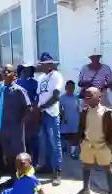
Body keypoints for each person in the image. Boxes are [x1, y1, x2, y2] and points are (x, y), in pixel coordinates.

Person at [75, 87, 112, 194]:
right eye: (86, 96)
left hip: (102, 145)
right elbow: (81, 127)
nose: (87, 99)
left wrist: (110, 144)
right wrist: (80, 141)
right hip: (87, 144)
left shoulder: (107, 112)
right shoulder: (84, 112)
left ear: (99, 97)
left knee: (107, 168)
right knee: (86, 167)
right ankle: (85, 188)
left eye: (90, 96)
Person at [0, 64, 31, 188]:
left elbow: (28, 108)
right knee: (8, 155)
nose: (5, 73)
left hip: (15, 129)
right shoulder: (1, 89)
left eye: (8, 71)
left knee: (19, 156)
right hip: (4, 128)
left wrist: (20, 123)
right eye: (3, 71)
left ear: (14, 75)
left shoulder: (19, 90)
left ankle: (23, 181)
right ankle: (13, 178)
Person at [37, 52, 63, 186]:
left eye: (44, 64)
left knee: (54, 143)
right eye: (41, 64)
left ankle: (57, 171)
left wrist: (44, 107)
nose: (41, 66)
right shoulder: (41, 77)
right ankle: (47, 166)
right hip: (42, 114)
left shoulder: (56, 76)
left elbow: (56, 96)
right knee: (44, 142)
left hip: (52, 113)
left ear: (50, 64)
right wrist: (39, 110)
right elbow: (39, 96)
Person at [16, 64, 40, 165]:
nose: (27, 71)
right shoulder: (16, 83)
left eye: (30, 70)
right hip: (19, 115)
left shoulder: (35, 83)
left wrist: (34, 112)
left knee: (33, 139)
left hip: (32, 114)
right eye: (25, 70)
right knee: (22, 140)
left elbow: (37, 98)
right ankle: (24, 162)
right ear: (21, 71)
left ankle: (34, 162)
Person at [60, 80, 80, 159]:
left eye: (72, 87)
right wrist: (63, 116)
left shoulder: (76, 97)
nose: (71, 88)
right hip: (66, 119)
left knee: (75, 136)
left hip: (75, 119)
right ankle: (64, 147)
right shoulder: (62, 97)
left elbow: (79, 108)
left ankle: (73, 153)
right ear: (66, 87)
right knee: (65, 135)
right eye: (69, 87)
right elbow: (60, 108)